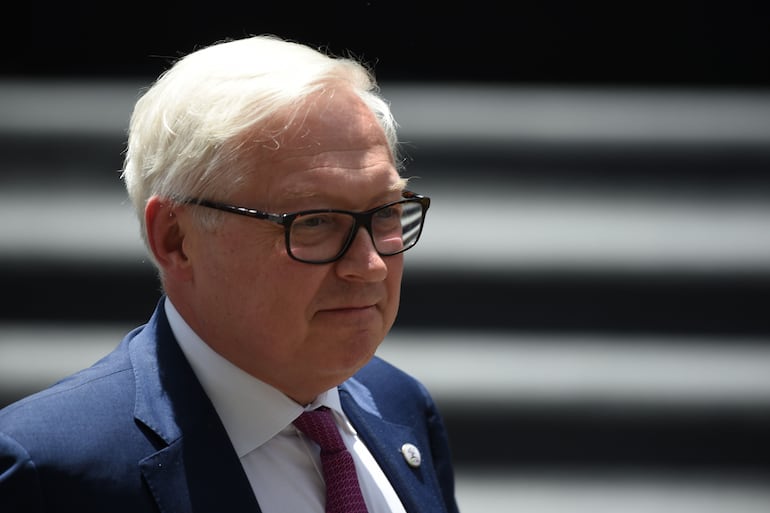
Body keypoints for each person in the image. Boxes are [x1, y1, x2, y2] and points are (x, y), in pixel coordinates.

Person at [0, 35, 459, 513]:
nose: (368, 266)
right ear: (176, 239)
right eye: (315, 222)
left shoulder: (399, 405)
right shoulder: (47, 473)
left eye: (385, 212)